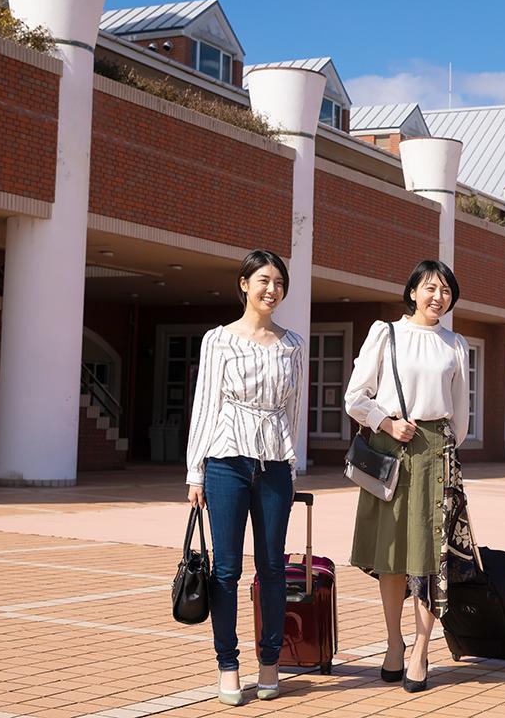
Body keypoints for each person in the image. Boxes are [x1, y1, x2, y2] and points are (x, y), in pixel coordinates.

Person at [344, 259, 474, 693]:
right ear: (413, 292)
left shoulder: (456, 344)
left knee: (429, 558)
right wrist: (386, 423)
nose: (439, 297)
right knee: (393, 553)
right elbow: (354, 398)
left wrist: (443, 451)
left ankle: (421, 649)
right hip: (391, 448)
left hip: (436, 454)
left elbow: (462, 415)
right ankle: (394, 643)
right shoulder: (387, 333)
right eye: (430, 288)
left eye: (446, 290)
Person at [185, 249, 304, 705]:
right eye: (263, 280)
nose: (271, 289)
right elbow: (205, 406)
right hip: (225, 461)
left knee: (273, 567)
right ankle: (228, 665)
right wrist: (196, 471)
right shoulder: (218, 340)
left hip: (274, 464)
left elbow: (294, 411)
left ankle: (270, 662)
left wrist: (292, 467)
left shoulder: (293, 343)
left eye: (278, 282)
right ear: (244, 284)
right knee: (227, 569)